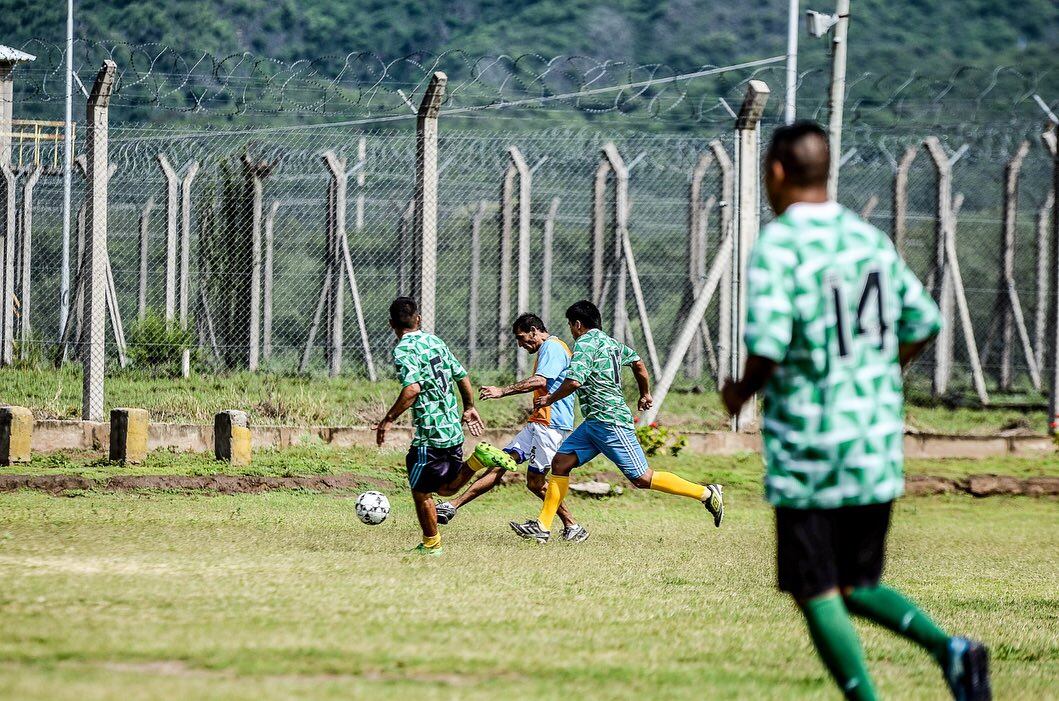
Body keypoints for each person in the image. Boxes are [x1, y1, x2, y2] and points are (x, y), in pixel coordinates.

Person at [720, 121, 990, 700]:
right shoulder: (867, 240)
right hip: (872, 441)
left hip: (812, 447)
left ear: (775, 173)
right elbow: (923, 321)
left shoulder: (782, 244)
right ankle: (954, 651)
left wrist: (739, 392)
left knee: (814, 588)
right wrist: (879, 371)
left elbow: (767, 343)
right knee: (857, 583)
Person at [509, 300, 723, 543]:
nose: (571, 329)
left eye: (570, 325)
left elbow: (574, 381)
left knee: (641, 478)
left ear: (577, 324)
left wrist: (549, 399)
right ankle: (543, 526)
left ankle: (706, 493)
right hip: (593, 423)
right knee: (560, 463)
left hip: (611, 421)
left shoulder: (585, 344)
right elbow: (638, 363)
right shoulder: (611, 343)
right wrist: (645, 393)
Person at [376, 297, 516, 556]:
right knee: (446, 488)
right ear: (418, 319)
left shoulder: (403, 349)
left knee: (421, 493)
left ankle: (431, 545)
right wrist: (470, 407)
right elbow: (461, 375)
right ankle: (477, 461)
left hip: (430, 433)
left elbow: (412, 389)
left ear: (391, 324)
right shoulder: (435, 342)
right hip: (452, 428)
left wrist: (388, 419)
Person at [435, 313, 589, 542]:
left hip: (552, 426)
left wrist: (502, 391)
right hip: (539, 423)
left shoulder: (553, 348)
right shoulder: (549, 348)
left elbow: (540, 381)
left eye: (521, 337)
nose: (520, 344)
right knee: (500, 463)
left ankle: (572, 525)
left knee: (535, 482)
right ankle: (452, 506)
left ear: (535, 330)